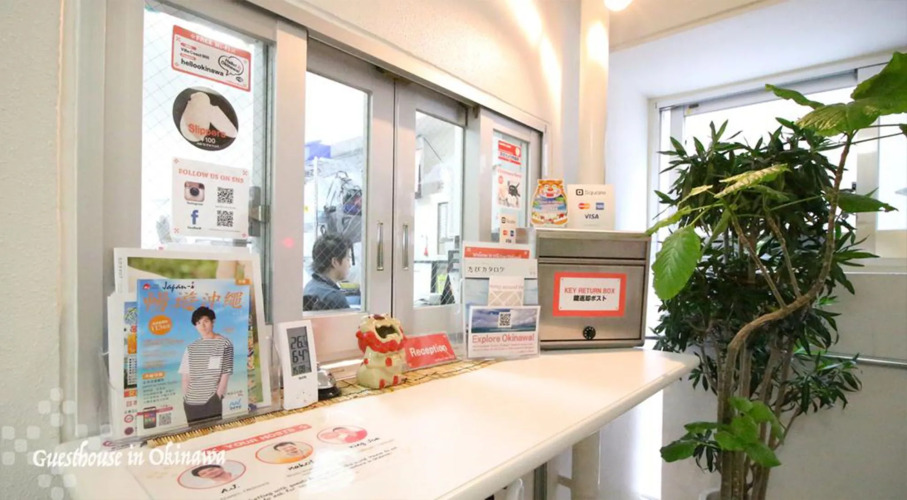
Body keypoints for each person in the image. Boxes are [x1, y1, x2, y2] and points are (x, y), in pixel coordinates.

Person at [179, 306, 233, 424]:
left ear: (213, 322)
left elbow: (225, 373)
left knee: (216, 431)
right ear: (195, 326)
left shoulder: (224, 343)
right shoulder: (191, 348)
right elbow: (185, 377)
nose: (202, 326)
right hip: (190, 403)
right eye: (198, 323)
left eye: (205, 321)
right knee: (194, 434)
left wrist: (218, 396)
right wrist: (185, 398)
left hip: (211, 401)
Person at [303, 233, 353, 311]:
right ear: (335, 262)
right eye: (348, 259)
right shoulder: (335, 298)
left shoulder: (309, 287)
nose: (349, 265)